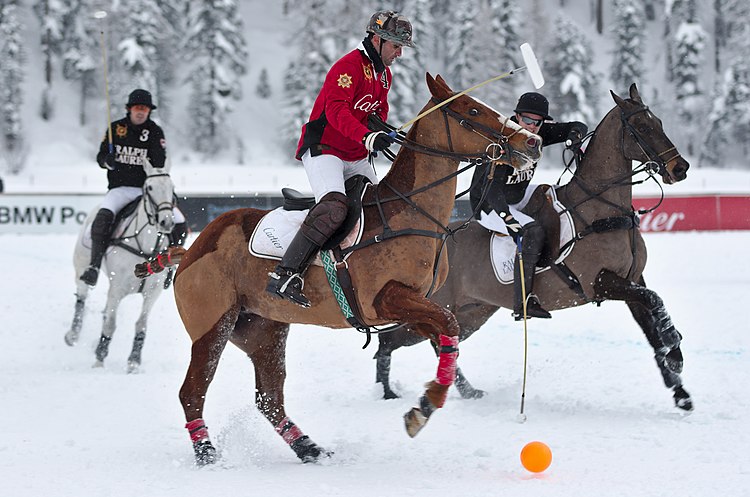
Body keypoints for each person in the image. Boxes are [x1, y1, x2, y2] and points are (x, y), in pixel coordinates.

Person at [266, 10, 414, 308]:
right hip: (325, 149)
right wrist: (365, 136)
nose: (399, 53)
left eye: (401, 47)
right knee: (334, 207)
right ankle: (286, 274)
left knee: (382, 207)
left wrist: (384, 132)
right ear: (377, 38)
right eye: (396, 45)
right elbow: (336, 113)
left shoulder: (384, 76)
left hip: (356, 154)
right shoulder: (348, 67)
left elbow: (376, 114)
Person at [469, 92, 588, 320]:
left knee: (553, 195)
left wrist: (574, 137)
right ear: (516, 117)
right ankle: (522, 300)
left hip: (517, 194)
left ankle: (553, 261)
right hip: (488, 203)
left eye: (537, 122)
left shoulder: (538, 133)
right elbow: (493, 190)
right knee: (530, 230)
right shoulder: (504, 140)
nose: (532, 127)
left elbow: (577, 125)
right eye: (527, 121)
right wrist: (509, 221)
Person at [79, 89, 187, 287]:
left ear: (148, 111)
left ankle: (170, 267)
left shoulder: (155, 132)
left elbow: (159, 162)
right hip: (119, 189)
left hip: (145, 191)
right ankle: (94, 266)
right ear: (129, 109)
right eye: (137, 108)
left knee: (179, 222)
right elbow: (100, 157)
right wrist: (107, 161)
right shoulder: (115, 128)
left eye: (144, 109)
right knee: (103, 218)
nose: (140, 112)